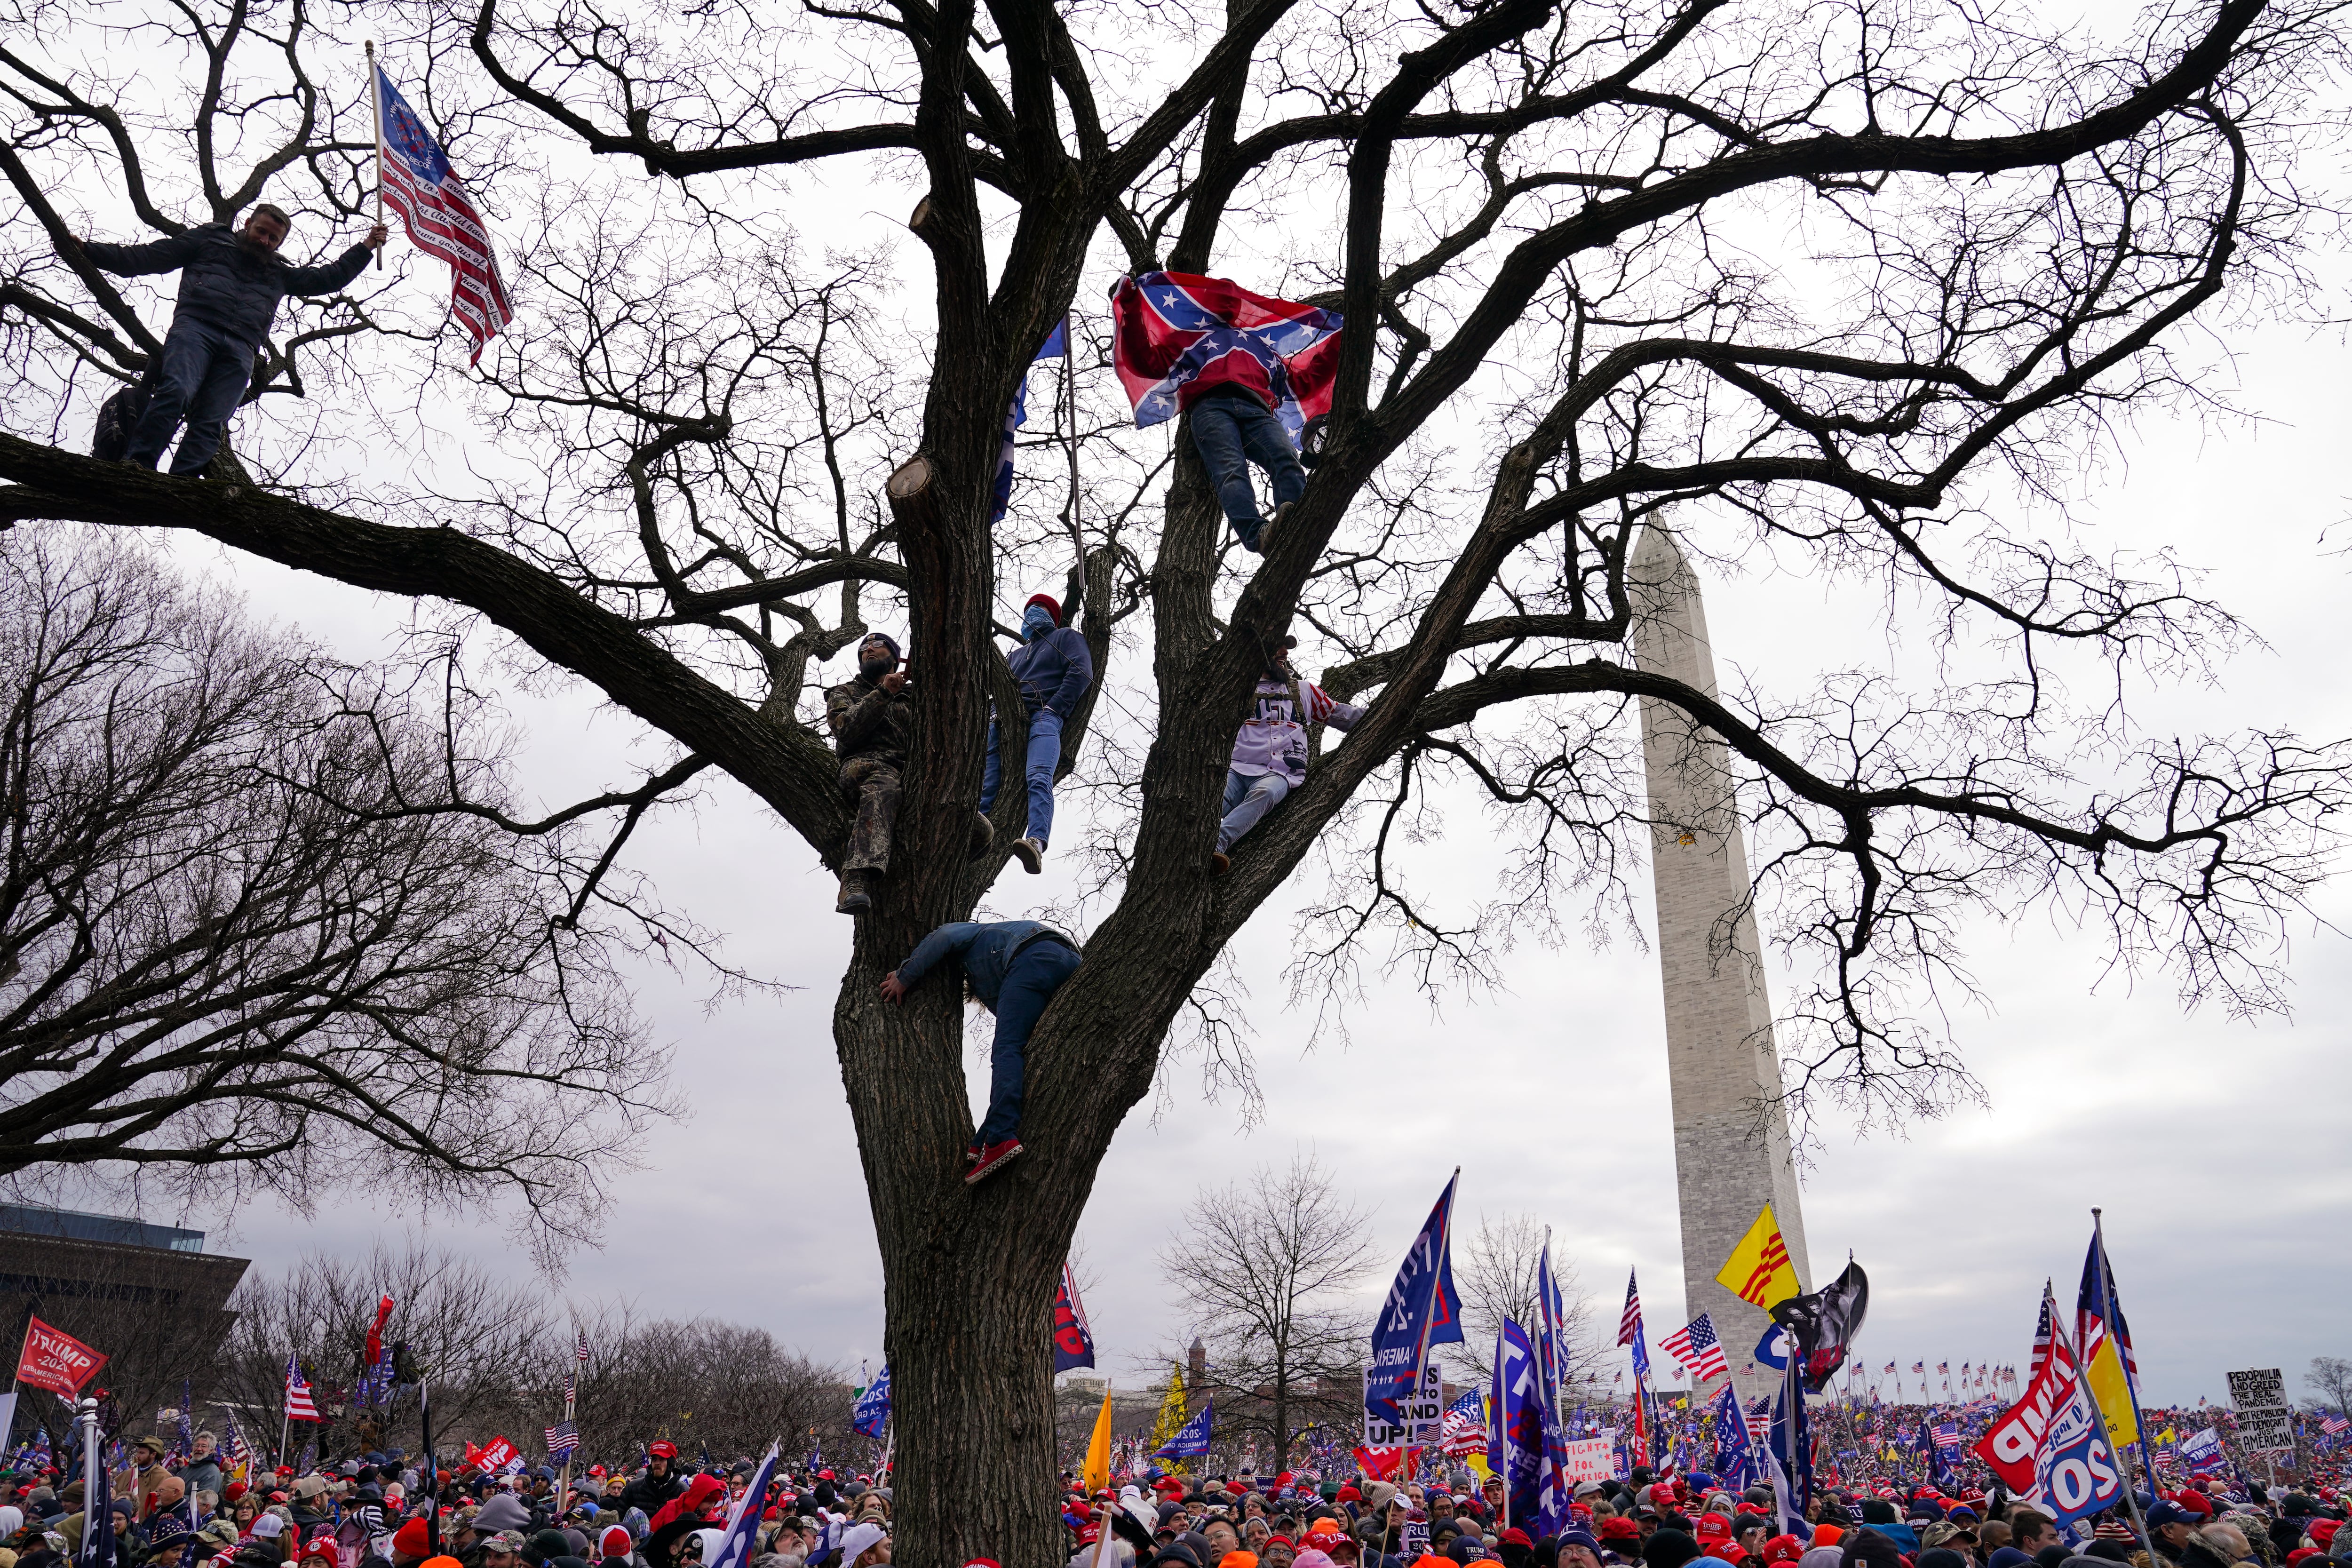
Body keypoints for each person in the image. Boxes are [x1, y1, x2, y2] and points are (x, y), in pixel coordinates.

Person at [64, 206, 387, 475]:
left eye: (274, 238)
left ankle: (182, 485)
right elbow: (150, 256)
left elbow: (328, 278)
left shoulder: (279, 272)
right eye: (262, 231)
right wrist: (89, 252)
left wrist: (366, 247)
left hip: (242, 347)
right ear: (247, 224)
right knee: (176, 391)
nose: (265, 240)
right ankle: (138, 463)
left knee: (210, 422)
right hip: (196, 329)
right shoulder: (210, 241)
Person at [880, 917, 1082, 1182]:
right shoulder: (996, 969)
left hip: (1033, 956)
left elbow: (944, 935)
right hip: (1071, 963)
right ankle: (985, 1138)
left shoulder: (978, 932)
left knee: (1006, 1049)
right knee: (1020, 1051)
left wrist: (904, 977)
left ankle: (1000, 1138)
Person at [1212, 637, 1365, 874]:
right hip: (1237, 768)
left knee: (1265, 793)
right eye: (1278, 646)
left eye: (1286, 648)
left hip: (1280, 773)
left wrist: (1392, 706)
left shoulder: (1303, 690)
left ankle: (1217, 845)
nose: (1284, 653)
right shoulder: (1238, 689)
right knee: (1211, 803)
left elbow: (1342, 715)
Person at [980, 594, 1094, 874]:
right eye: (1028, 610)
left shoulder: (1066, 637)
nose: (1031, 613)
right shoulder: (1015, 655)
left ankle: (1037, 840)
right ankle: (977, 832)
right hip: (1003, 722)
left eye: (1039, 609)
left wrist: (1055, 708)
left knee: (1039, 775)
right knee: (987, 783)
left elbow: (1081, 671)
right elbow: (995, 690)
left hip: (1044, 715)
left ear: (1053, 616)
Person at [1187, 379, 1305, 555]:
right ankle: (1259, 536)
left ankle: (1297, 525)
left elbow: (1301, 378)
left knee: (1286, 457)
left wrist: (1335, 352)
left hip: (1258, 408)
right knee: (1231, 472)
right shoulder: (1192, 350)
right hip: (1209, 403)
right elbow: (1155, 361)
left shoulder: (1265, 352)